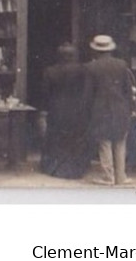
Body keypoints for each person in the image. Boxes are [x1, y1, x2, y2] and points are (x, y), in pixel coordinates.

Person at [84, 34, 135, 186]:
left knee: (104, 142)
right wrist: (129, 107)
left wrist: (86, 111)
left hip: (100, 109)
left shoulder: (91, 67)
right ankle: (121, 176)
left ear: (95, 50)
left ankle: (108, 176)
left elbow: (88, 93)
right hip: (120, 108)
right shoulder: (122, 64)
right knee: (120, 141)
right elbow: (128, 89)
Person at [40, 42, 92, 179]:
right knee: (74, 140)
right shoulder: (83, 70)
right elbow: (87, 92)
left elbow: (45, 94)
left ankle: (55, 170)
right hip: (77, 110)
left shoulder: (50, 71)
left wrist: (44, 111)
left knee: (56, 140)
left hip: (56, 110)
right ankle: (75, 170)